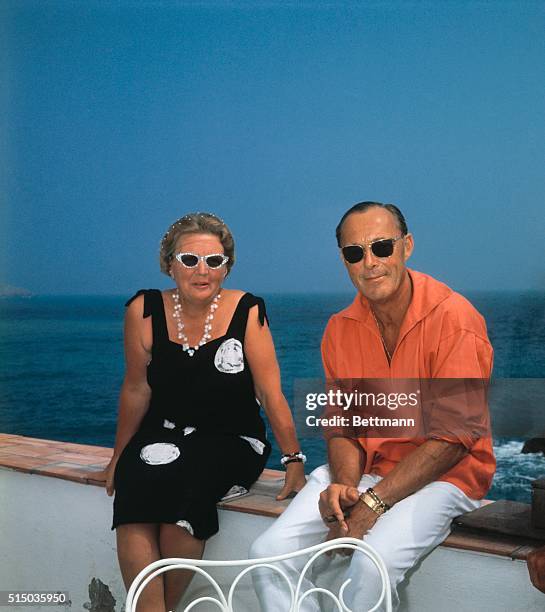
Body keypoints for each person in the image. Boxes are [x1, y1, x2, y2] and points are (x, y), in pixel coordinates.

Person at [250, 201, 495, 611]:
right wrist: (346, 487)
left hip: (447, 477)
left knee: (371, 565)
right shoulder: (340, 328)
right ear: (344, 260)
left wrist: (373, 504)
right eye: (355, 252)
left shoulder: (455, 319)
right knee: (267, 557)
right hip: (371, 471)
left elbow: (453, 439)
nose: (370, 262)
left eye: (382, 247)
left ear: (407, 246)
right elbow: (343, 425)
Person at [96, 212, 306, 612]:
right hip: (163, 433)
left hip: (231, 438)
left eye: (215, 261)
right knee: (134, 482)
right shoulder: (143, 311)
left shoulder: (248, 311)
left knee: (189, 480)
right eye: (190, 259)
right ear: (170, 263)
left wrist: (293, 460)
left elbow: (270, 392)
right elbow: (136, 389)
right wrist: (118, 454)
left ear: (227, 266)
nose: (202, 270)